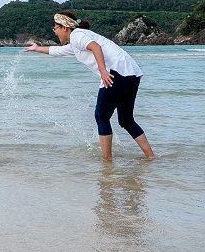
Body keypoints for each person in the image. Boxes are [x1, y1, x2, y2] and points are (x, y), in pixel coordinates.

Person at [26, 12, 156, 159]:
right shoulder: (77, 40)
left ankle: (107, 161)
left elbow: (95, 47)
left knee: (101, 116)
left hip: (115, 73)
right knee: (126, 120)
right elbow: (57, 51)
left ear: (65, 27)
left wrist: (102, 70)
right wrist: (37, 48)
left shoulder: (77, 36)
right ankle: (150, 156)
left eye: (55, 28)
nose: (55, 32)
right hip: (131, 73)